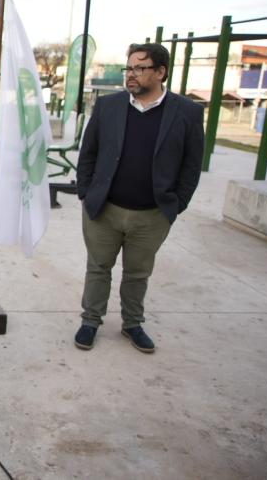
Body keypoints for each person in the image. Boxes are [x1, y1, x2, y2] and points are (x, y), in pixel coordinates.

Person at [74, 43, 205, 353]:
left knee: (138, 273)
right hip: (104, 209)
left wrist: (174, 205)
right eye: (129, 68)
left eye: (140, 68)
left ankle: (132, 324)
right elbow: (88, 153)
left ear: (161, 72)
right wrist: (86, 192)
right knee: (98, 267)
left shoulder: (187, 112)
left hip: (152, 215)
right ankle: (90, 321)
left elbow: (191, 165)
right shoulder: (109, 107)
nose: (131, 75)